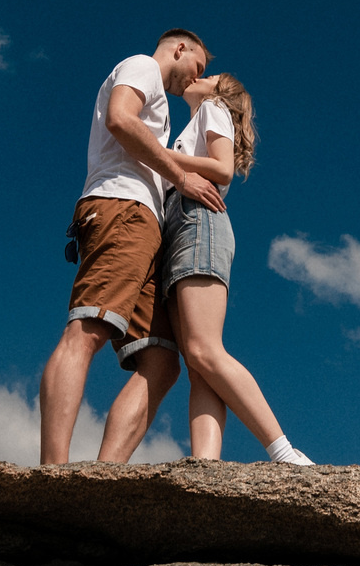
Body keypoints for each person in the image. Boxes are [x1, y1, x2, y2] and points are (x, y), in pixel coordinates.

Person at [104, 70, 313, 465]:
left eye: (212, 74)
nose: (201, 75)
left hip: (197, 218)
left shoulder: (213, 108)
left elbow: (221, 169)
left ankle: (284, 451)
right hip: (179, 223)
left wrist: (157, 153)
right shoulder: (199, 118)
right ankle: (206, 464)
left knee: (204, 349)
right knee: (197, 364)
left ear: (222, 90)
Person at [38, 29, 223, 464]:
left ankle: (105, 473)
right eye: (198, 67)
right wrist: (181, 177)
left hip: (145, 224)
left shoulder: (158, 93)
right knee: (88, 330)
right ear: (181, 49)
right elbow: (120, 119)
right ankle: (53, 470)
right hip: (122, 207)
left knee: (162, 363)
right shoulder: (142, 65)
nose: (195, 78)